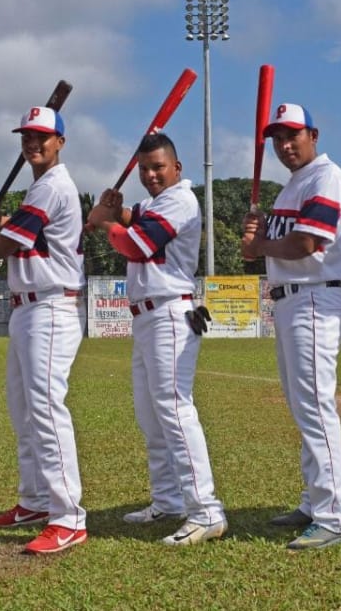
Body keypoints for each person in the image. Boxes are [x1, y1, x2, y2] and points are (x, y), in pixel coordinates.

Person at [85, 133, 227, 546]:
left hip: (169, 312)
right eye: (145, 169)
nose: (150, 175)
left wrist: (107, 220)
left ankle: (206, 510)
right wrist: (114, 208)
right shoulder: (154, 204)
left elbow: (137, 244)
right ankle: (169, 500)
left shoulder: (181, 199)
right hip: (147, 316)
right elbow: (135, 217)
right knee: (152, 416)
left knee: (175, 411)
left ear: (176, 169)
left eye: (158, 167)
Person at [0, 106, 88, 555]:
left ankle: (69, 516)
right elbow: (14, 236)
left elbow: (1, 247)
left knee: (47, 410)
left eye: (42, 137)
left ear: (60, 142)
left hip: (50, 306)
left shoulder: (53, 187)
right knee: (24, 411)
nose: (33, 144)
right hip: (27, 308)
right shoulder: (38, 189)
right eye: (27, 137)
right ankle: (36, 500)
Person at [241, 103, 341, 550]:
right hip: (292, 299)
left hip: (313, 296)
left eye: (293, 135)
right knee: (302, 407)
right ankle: (314, 501)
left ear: (314, 134)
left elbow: (308, 242)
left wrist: (260, 246)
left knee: (315, 407)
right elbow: (283, 237)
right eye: (277, 138)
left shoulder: (327, 176)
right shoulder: (294, 184)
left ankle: (333, 517)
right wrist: (263, 232)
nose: (285, 145)